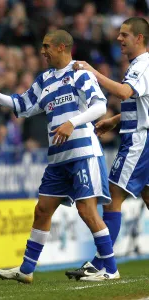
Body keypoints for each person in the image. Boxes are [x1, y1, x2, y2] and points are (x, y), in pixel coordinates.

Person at [0, 29, 119, 284]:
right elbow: (22, 106)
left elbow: (100, 106)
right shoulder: (44, 79)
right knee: (42, 210)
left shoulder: (80, 73)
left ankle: (111, 268)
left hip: (82, 153)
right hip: (58, 159)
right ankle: (26, 269)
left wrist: (72, 122)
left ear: (61, 47)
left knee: (87, 211)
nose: (42, 51)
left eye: (46, 46)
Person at [66, 17, 149, 280]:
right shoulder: (141, 64)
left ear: (139, 38)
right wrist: (115, 121)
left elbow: (125, 93)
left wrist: (93, 72)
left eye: (124, 35)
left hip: (138, 141)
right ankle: (101, 262)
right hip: (140, 136)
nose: (118, 39)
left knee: (113, 196)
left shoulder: (143, 65)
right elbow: (140, 103)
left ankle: (102, 264)